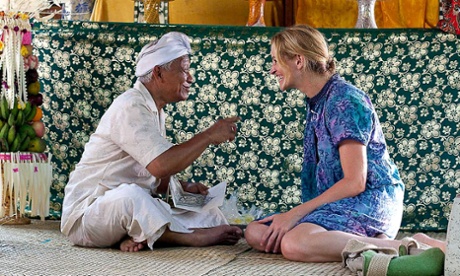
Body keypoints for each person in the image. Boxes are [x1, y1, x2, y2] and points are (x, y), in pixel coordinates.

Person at [60, 31, 243, 252]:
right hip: (87, 216)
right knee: (132, 197)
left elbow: (151, 174)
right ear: (158, 73)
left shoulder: (153, 110)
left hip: (124, 211)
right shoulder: (130, 105)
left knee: (209, 214)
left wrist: (184, 189)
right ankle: (186, 238)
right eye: (184, 70)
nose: (191, 78)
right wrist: (208, 136)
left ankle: (141, 235)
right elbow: (160, 165)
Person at [244, 24, 411, 262]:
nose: (272, 70)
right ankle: (372, 244)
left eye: (276, 61)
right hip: (339, 204)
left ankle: (403, 247)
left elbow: (355, 182)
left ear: (298, 61)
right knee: (257, 232)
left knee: (294, 243)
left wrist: (294, 215)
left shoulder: (345, 101)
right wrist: (292, 217)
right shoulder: (317, 101)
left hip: (370, 200)